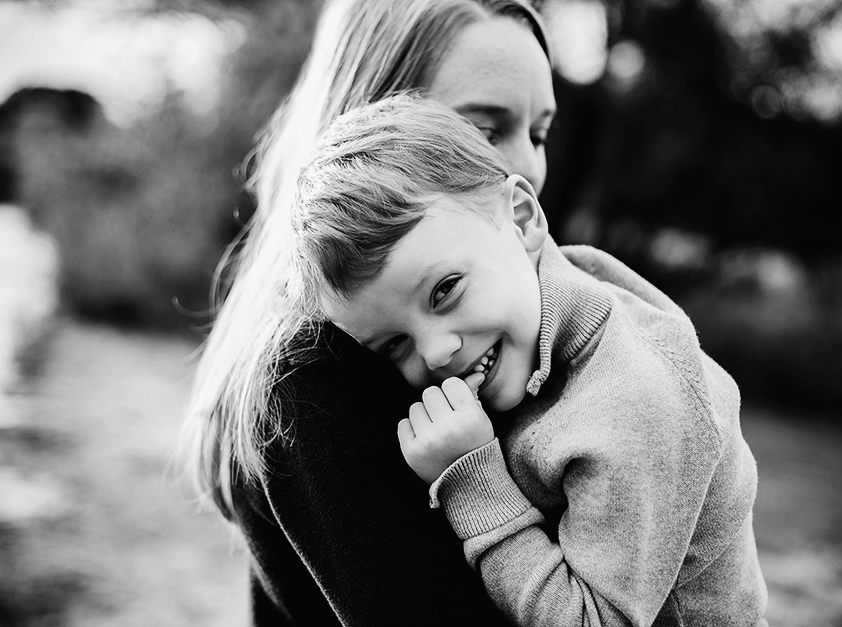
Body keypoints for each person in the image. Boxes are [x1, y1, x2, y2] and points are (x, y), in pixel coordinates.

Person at [288, 94, 769, 626]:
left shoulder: (635, 402)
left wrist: (471, 482)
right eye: (394, 344)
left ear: (521, 219)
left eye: (445, 290)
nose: (436, 352)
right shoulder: (534, 319)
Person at [181, 0, 555, 625]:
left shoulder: (514, 327)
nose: (529, 169)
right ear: (372, 124)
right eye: (483, 133)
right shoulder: (314, 381)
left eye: (538, 133)